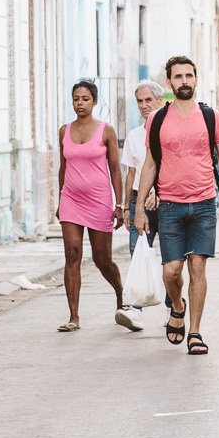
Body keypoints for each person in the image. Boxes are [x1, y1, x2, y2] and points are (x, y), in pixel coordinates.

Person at [134, 55, 219, 354]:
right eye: (178, 76)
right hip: (169, 206)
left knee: (197, 266)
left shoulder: (211, 117)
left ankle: (195, 332)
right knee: (172, 271)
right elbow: (149, 164)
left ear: (195, 80)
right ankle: (177, 305)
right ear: (169, 82)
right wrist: (137, 209)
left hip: (203, 204)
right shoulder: (157, 119)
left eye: (189, 75)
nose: (184, 80)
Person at [57, 79, 127, 330]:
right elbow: (63, 168)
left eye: (85, 99)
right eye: (76, 99)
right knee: (72, 252)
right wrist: (60, 199)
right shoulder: (64, 131)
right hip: (71, 199)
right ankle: (73, 316)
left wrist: (119, 205)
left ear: (94, 102)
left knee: (102, 259)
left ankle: (121, 295)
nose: (80, 103)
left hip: (99, 200)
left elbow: (115, 170)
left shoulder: (106, 130)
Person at [121, 79, 165, 256]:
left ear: (159, 100)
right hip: (139, 201)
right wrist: (126, 208)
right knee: (137, 255)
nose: (144, 105)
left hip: (166, 200)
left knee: (171, 261)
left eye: (149, 100)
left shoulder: (168, 131)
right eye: (140, 101)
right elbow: (130, 173)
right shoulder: (133, 136)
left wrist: (158, 192)